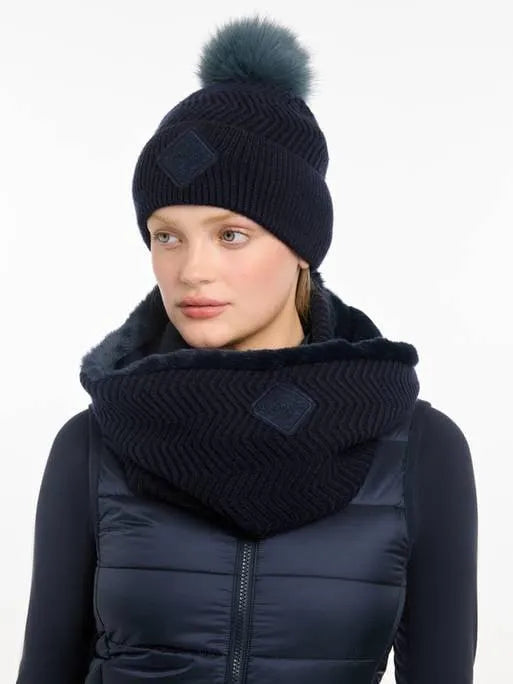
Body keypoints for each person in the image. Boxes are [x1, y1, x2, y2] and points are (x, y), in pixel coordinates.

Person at [15, 14, 478, 684]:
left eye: (230, 235)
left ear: (300, 246)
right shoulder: (94, 443)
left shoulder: (418, 450)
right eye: (167, 236)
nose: (191, 270)